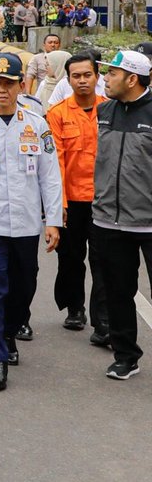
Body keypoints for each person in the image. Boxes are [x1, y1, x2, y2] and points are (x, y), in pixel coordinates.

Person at [0, 52, 64, 391]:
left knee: (24, 287)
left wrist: (53, 220)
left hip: (26, 223)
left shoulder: (37, 124)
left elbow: (50, 175)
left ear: (21, 85)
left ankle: (9, 331)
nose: (2, 90)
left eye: (9, 83)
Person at [91, 49, 152, 380]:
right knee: (117, 293)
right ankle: (126, 356)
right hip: (108, 221)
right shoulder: (105, 111)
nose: (105, 78)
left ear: (132, 79)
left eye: (112, 73)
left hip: (149, 222)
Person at [47, 52, 108, 342]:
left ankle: (103, 322)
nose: (82, 80)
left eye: (87, 75)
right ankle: (75, 308)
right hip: (71, 201)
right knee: (70, 259)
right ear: (68, 79)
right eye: (76, 76)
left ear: (97, 77)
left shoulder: (111, 110)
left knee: (103, 260)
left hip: (104, 201)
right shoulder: (57, 114)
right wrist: (59, 206)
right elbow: (55, 163)